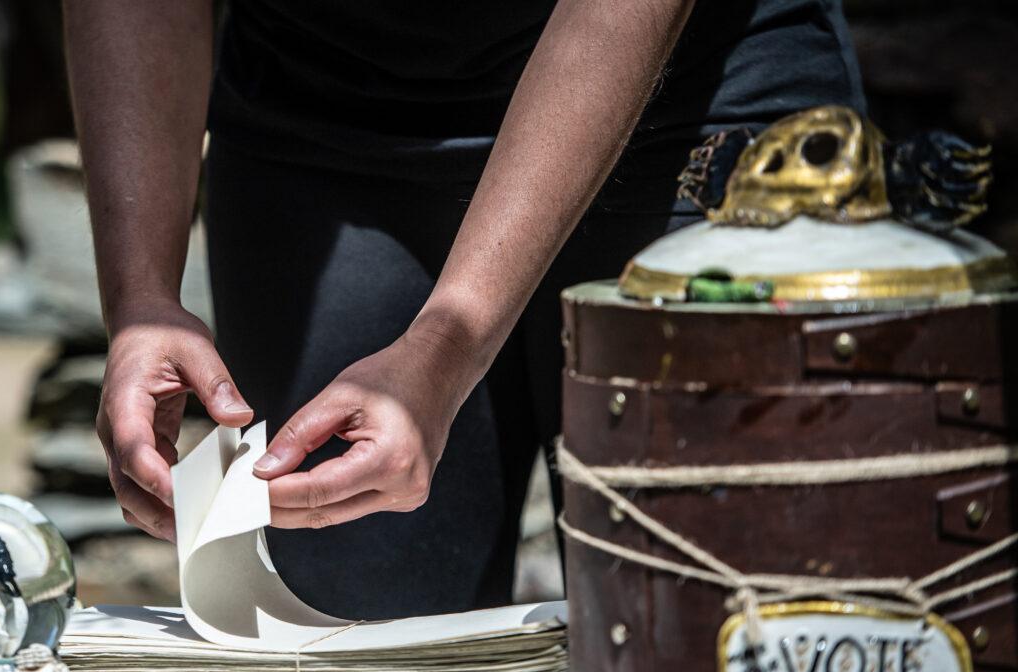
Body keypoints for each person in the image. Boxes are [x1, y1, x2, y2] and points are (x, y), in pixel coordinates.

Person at [63, 0, 865, 620]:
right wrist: (143, 303)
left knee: (726, 642)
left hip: (692, 93)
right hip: (324, 113)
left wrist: (450, 334)